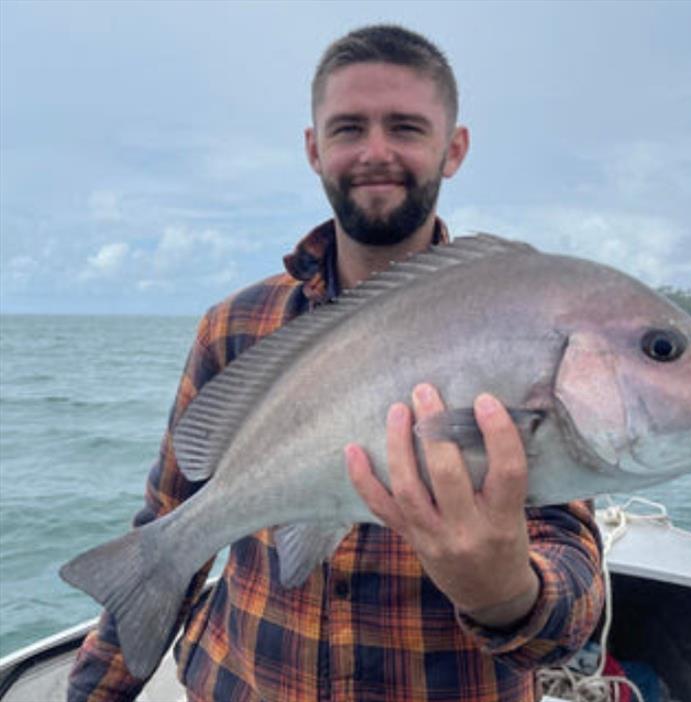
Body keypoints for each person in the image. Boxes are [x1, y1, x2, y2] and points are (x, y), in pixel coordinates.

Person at [67, 24, 604, 702]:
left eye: (406, 127)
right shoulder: (233, 327)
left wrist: (507, 594)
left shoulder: (516, 321)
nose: (375, 152)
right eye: (349, 129)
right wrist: (93, 693)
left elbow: (574, 591)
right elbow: (166, 533)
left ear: (454, 148)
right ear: (314, 149)